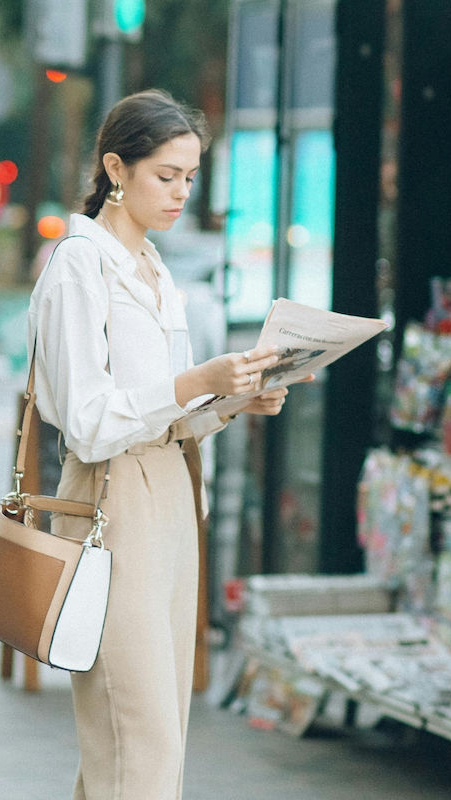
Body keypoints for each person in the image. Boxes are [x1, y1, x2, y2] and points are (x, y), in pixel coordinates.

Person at [27, 89, 298, 800]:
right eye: (165, 176)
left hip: (173, 496)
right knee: (138, 739)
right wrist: (193, 383)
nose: (181, 193)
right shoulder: (80, 265)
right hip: (112, 500)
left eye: (189, 177)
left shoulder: (154, 270)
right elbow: (87, 422)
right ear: (116, 168)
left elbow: (170, 418)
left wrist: (234, 400)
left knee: (149, 738)